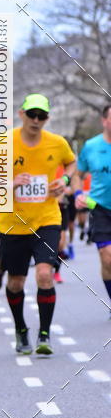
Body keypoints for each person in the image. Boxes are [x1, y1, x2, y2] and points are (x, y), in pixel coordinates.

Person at [0, 94, 76, 355]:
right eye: (31, 114)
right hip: (13, 223)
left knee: (44, 275)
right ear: (21, 114)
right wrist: (11, 184)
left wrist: (64, 181)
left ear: (47, 118)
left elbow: (72, 163)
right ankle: (21, 330)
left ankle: (45, 334)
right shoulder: (4, 142)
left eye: (41, 116)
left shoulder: (57, 143)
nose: (36, 120)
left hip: (47, 219)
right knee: (16, 283)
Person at [76, 103, 111, 318]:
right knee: (106, 258)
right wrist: (79, 194)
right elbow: (78, 176)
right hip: (99, 208)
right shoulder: (91, 146)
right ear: (104, 121)